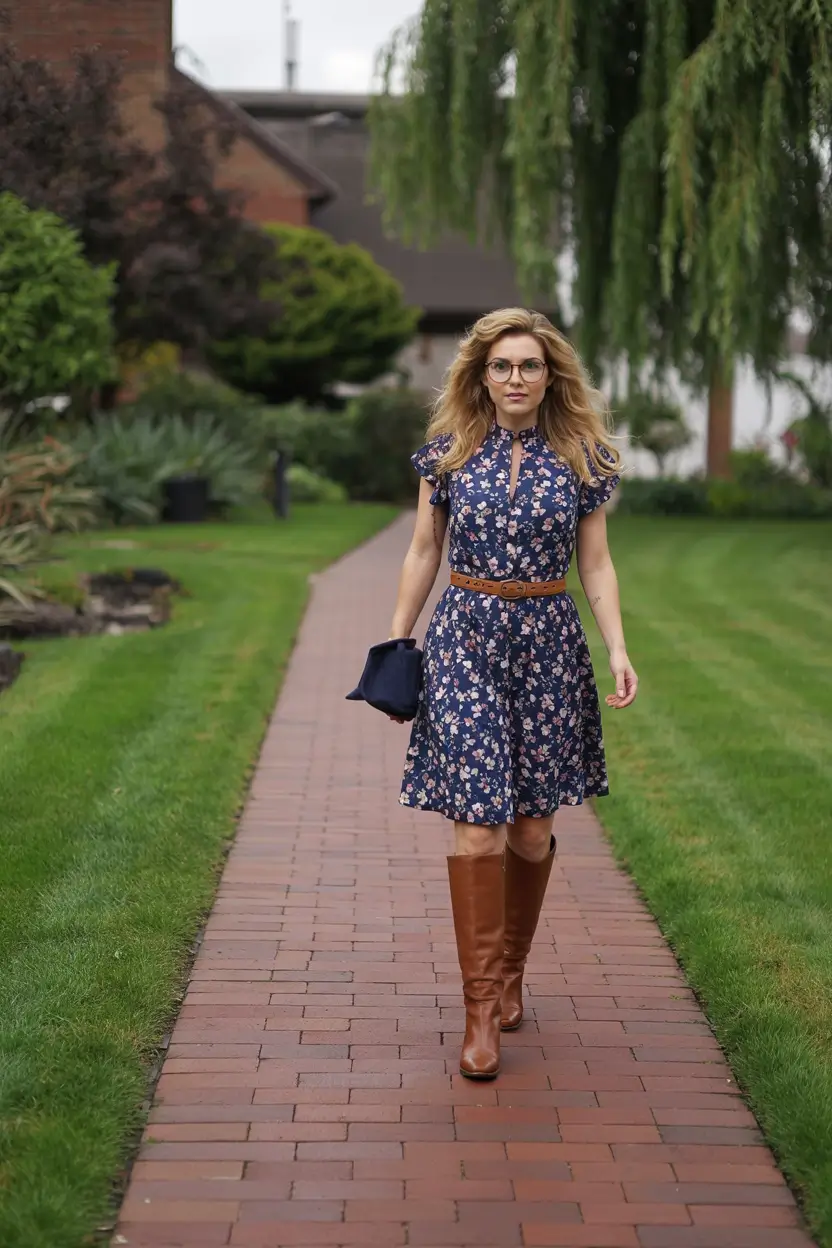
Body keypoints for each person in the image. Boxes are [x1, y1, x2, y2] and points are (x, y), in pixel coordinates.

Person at [386, 307, 638, 1080]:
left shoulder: (583, 458)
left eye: (530, 365)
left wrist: (618, 646)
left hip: (548, 648)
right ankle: (479, 1007)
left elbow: (594, 563)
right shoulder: (449, 454)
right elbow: (424, 548)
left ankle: (514, 971)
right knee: (478, 831)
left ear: (550, 373)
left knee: (530, 831)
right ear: (482, 375)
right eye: (502, 366)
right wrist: (398, 638)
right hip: (465, 639)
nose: (516, 378)